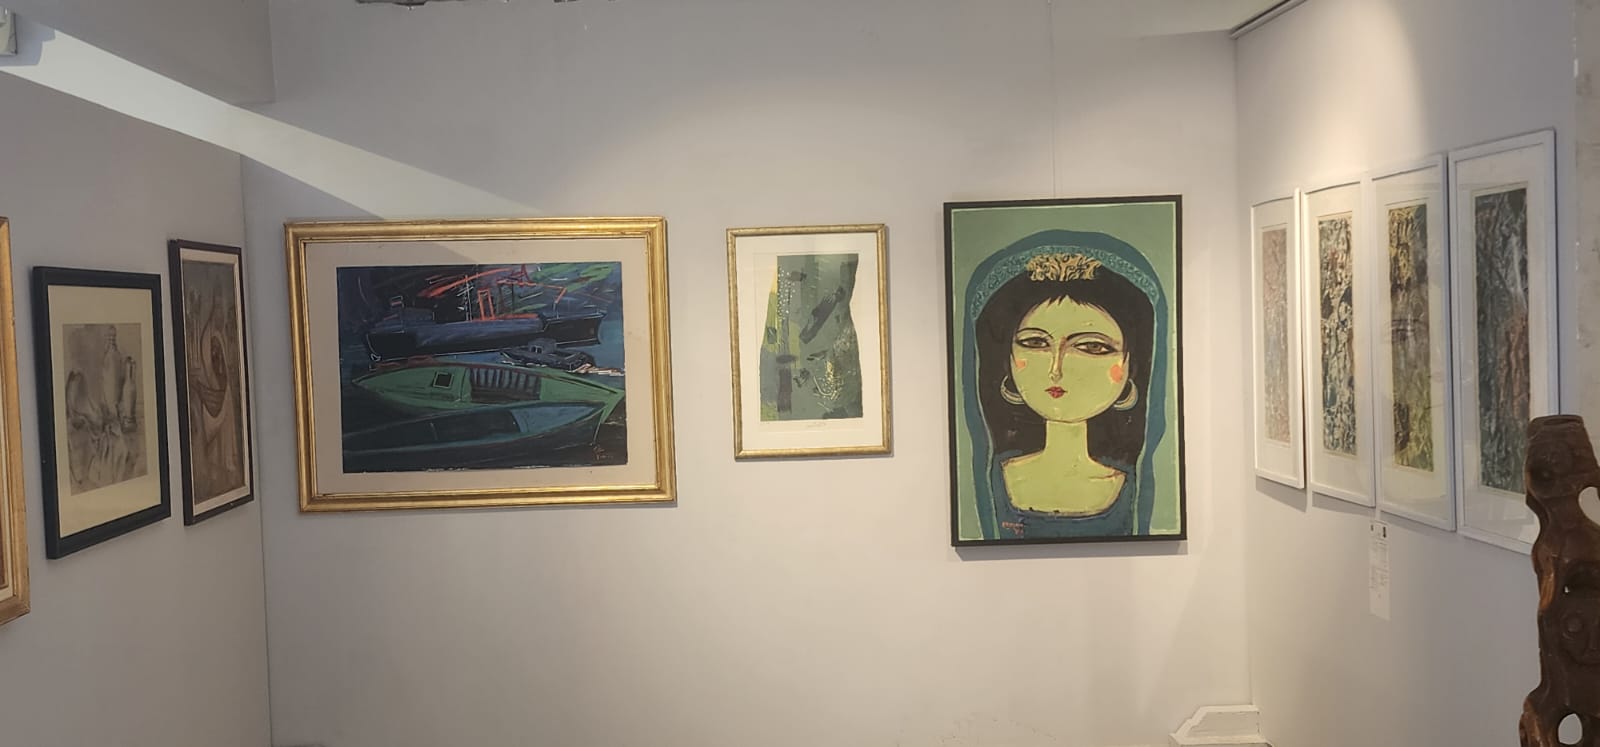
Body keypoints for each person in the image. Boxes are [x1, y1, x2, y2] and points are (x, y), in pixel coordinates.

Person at [960, 229, 1170, 541]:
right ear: (1008, 358)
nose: (1056, 369)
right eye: (1035, 343)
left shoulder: (1137, 489)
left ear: (1130, 365)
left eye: (1092, 347)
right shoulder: (987, 482)